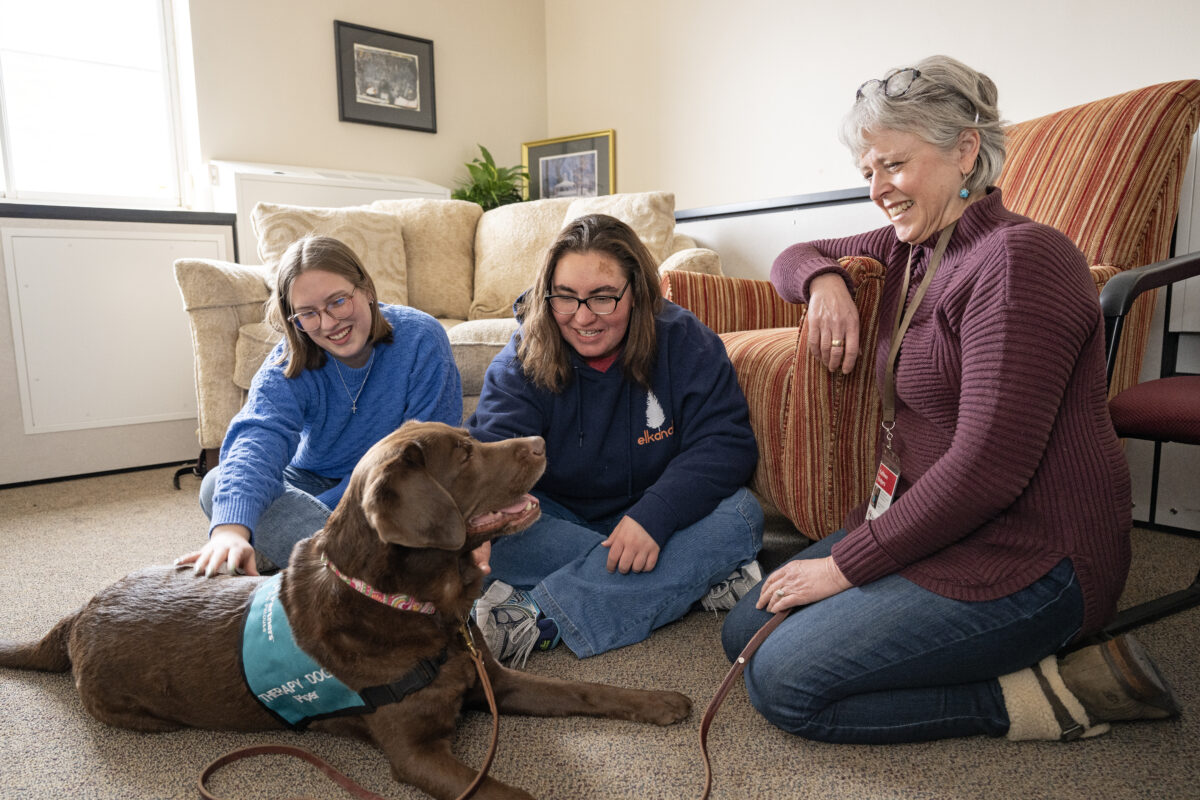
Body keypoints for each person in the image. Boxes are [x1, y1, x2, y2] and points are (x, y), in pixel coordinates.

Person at [722, 55, 1180, 744]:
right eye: (868, 172)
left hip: (1035, 556)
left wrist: (845, 567)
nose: (878, 189)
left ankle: (1057, 694)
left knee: (783, 682)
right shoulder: (917, 248)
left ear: (965, 150)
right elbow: (796, 254)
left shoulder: (1020, 260)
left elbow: (989, 469)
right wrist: (824, 282)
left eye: (893, 165)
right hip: (935, 527)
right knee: (744, 631)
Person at [468, 213, 764, 666]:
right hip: (558, 520)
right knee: (499, 539)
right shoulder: (521, 358)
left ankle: (538, 614)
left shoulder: (686, 340)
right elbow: (493, 452)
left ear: (639, 292)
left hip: (659, 515)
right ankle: (694, 580)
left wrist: (655, 516)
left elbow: (725, 442)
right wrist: (482, 515)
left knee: (741, 516)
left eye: (603, 298)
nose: (583, 318)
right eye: (565, 298)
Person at [177, 235, 463, 578]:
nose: (328, 324)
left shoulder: (421, 338)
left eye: (338, 302)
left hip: (390, 490)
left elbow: (428, 454)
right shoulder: (289, 359)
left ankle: (306, 557)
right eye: (308, 314)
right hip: (309, 482)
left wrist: (329, 515)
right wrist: (230, 529)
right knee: (218, 484)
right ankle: (366, 568)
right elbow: (257, 436)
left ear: (367, 290)